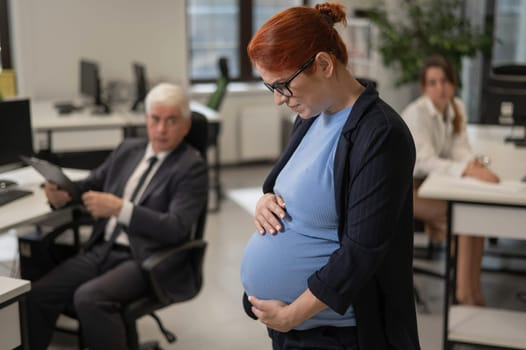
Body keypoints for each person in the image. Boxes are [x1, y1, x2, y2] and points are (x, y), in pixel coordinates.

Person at [239, 3, 420, 349]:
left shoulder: (381, 134)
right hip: (295, 331)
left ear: (323, 64)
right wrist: (266, 200)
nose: (278, 100)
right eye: (270, 87)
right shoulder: (309, 116)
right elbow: (290, 181)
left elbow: (362, 251)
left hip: (340, 337)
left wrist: (292, 314)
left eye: (283, 85)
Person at [26, 83, 208, 350]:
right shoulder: (128, 150)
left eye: (171, 121)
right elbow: (91, 183)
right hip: (104, 248)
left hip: (148, 257)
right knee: (39, 294)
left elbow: (176, 228)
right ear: (146, 119)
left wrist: (120, 209)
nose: (161, 129)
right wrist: (62, 194)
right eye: (155, 119)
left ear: (186, 125)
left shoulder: (191, 167)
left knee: (89, 298)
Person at [401, 54, 499, 306]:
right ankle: (464, 293)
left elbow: (460, 148)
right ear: (424, 87)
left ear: (453, 84)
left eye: (444, 81)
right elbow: (423, 161)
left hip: (430, 185)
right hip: (404, 189)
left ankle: (473, 290)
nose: (439, 88)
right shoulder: (417, 113)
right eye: (432, 82)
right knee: (462, 216)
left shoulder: (455, 107)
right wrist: (466, 170)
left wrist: (471, 163)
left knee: (472, 212)